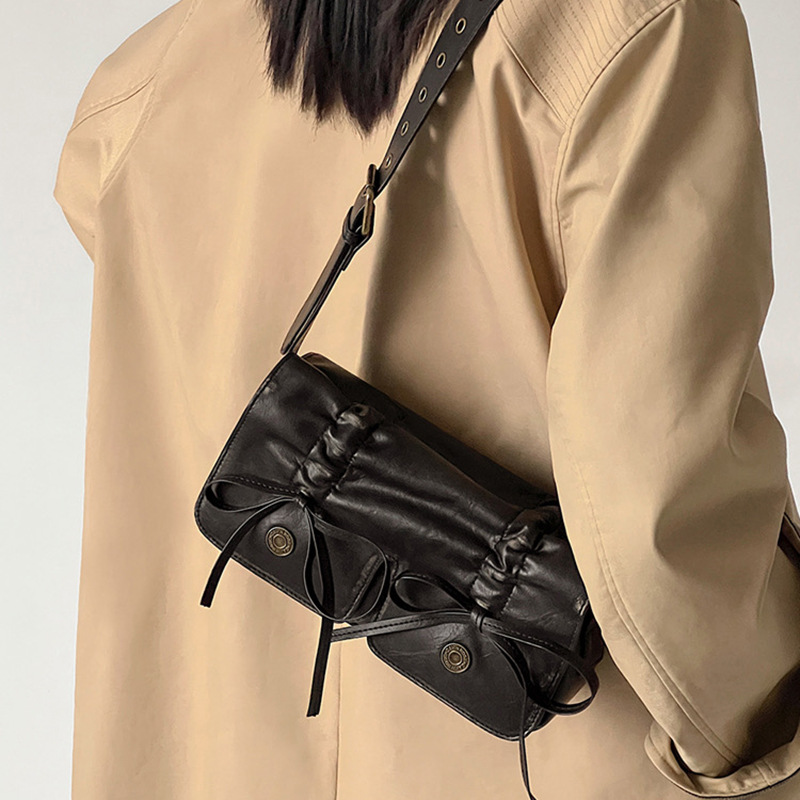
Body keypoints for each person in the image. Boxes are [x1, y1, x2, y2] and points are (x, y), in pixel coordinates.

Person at [53, 0, 800, 797]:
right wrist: (769, 730)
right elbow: (665, 528)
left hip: (214, 758)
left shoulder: (141, 90)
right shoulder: (631, 31)